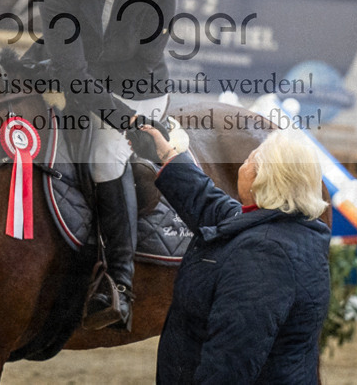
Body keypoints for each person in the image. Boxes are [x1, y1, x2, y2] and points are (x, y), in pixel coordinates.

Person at [31, 0, 176, 330]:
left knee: (104, 153)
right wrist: (57, 68)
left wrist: (121, 118)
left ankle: (120, 285)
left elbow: (143, 62)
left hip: (138, 89)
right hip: (79, 79)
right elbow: (73, 71)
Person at [140, 124, 331, 384]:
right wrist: (170, 156)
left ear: (262, 179)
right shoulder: (288, 228)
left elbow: (230, 359)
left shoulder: (263, 254)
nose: (242, 165)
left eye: (249, 160)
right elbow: (214, 207)